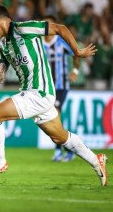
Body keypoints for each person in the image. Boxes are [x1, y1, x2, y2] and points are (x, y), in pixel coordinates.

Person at [0, 5, 107, 186]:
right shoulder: (3, 46)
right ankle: (96, 160)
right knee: (60, 137)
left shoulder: (24, 28)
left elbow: (59, 28)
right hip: (34, 95)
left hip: (40, 92)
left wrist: (77, 51)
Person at [42, 15, 79, 162]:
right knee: (51, 120)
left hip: (61, 86)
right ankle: (70, 149)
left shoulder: (62, 42)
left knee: (55, 115)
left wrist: (75, 71)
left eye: (50, 24)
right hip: (46, 87)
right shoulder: (38, 42)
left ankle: (59, 150)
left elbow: (77, 54)